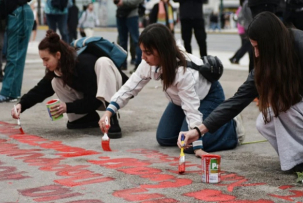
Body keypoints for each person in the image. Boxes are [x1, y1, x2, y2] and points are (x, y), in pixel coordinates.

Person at [178, 12, 303, 174]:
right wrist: (198, 131)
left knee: (283, 105)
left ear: (270, 43)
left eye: (257, 47)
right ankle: (302, 159)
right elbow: (238, 100)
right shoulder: (270, 58)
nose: (256, 54)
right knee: (264, 122)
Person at [99, 24, 240, 155]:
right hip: (180, 100)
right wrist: (109, 112)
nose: (143, 57)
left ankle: (231, 127)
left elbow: (191, 108)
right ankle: (193, 128)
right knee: (164, 138)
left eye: (147, 52)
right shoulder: (148, 63)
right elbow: (130, 87)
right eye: (142, 51)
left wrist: (197, 146)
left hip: (208, 96)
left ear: (162, 51)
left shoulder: (183, 71)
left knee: (189, 146)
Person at [11, 30, 128, 139]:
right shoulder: (58, 68)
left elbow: (94, 100)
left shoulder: (84, 64)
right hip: (94, 98)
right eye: (42, 60)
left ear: (58, 55)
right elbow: (40, 90)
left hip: (116, 94)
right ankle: (84, 119)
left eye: (46, 59)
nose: (44, 64)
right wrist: (22, 104)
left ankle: (111, 118)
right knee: (55, 82)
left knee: (103, 62)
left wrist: (68, 107)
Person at [114, 0, 143, 71]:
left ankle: (138, 64)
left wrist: (123, 2)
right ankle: (122, 64)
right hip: (120, 14)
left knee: (136, 41)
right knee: (122, 42)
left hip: (132, 15)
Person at [229, 0, 248, 64]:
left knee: (244, 46)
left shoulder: (240, 8)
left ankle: (235, 58)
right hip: (243, 30)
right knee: (246, 47)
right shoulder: (242, 8)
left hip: (241, 30)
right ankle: (235, 58)